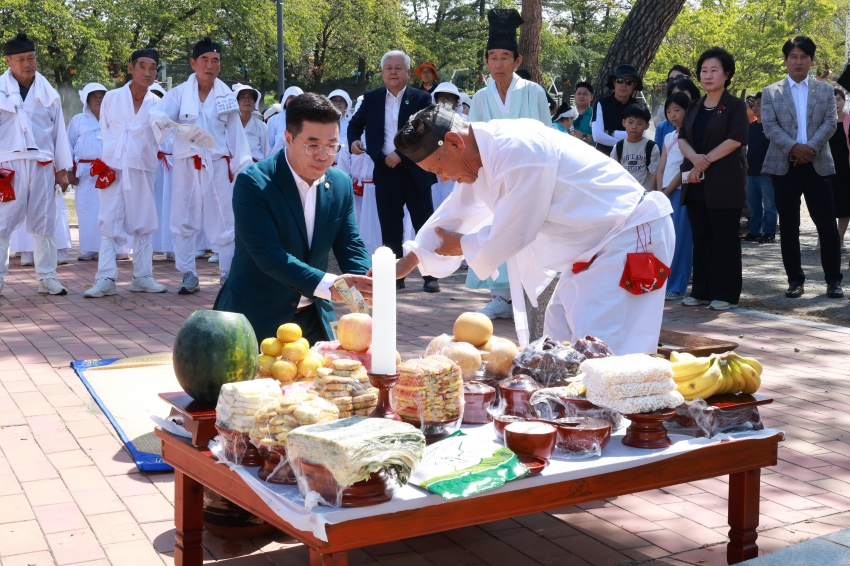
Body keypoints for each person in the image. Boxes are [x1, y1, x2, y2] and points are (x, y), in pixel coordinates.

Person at [391, 105, 674, 354]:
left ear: (454, 142)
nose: (443, 178)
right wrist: (407, 262)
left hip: (631, 235)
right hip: (595, 246)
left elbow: (515, 230)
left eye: (439, 168)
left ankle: (614, 413)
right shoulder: (479, 154)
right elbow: (456, 213)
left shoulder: (518, 148)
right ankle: (574, 411)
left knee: (605, 348)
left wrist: (464, 245)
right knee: (560, 337)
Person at [214, 93, 372, 344]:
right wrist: (331, 285)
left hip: (314, 319)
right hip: (255, 320)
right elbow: (269, 255)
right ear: (288, 138)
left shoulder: (340, 183)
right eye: (312, 145)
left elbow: (349, 243)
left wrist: (367, 280)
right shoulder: (254, 183)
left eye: (332, 145)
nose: (323, 155)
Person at [466, 8, 551, 320]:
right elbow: (473, 140)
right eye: (493, 57)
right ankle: (500, 297)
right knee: (494, 230)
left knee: (532, 233)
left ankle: (535, 295)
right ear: (487, 62)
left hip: (530, 177)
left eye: (505, 57)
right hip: (495, 179)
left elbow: (545, 136)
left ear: (517, 61)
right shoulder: (479, 98)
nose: (498, 63)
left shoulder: (534, 92)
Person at [150, 38, 252, 293]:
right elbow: (157, 119)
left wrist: (243, 169)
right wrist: (160, 119)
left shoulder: (227, 96)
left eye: (215, 60)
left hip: (216, 165)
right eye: (204, 60)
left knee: (225, 218)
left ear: (220, 64)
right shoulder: (178, 94)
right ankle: (188, 273)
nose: (209, 65)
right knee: (183, 217)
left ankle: (227, 272)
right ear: (193, 63)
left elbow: (235, 134)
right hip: (186, 164)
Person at [347, 50, 440, 293]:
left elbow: (427, 131)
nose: (393, 72)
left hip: (415, 169)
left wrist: (402, 153)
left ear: (408, 72)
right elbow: (355, 124)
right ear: (382, 72)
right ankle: (395, 276)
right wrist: (354, 141)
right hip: (384, 169)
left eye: (398, 68)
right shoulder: (372, 98)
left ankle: (431, 275)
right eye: (388, 68)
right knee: (390, 226)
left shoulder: (421, 98)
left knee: (424, 224)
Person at [761, 36, 842, 299]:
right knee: (789, 226)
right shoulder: (771, 91)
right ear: (785, 60)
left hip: (818, 164)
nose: (798, 61)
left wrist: (810, 149)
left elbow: (831, 122)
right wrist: (794, 148)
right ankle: (795, 280)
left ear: (811, 60)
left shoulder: (826, 90)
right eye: (793, 56)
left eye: (803, 57)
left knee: (827, 225)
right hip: (785, 165)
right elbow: (769, 126)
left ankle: (833, 280)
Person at [84, 49, 167, 298]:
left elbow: (161, 137)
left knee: (144, 222)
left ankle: (143, 276)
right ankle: (106, 278)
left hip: (142, 168)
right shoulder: (112, 98)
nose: (148, 72)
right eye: (142, 66)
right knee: (108, 221)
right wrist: (111, 158)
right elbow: (106, 130)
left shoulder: (158, 103)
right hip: (114, 166)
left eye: (153, 68)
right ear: (131, 69)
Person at [0, 33, 73, 296]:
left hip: (42, 163)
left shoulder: (49, 93)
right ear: (8, 61)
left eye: (31, 58)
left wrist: (63, 168)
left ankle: (47, 278)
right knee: (2, 222)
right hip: (8, 165)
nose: (27, 63)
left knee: (45, 222)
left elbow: (59, 133)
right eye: (20, 59)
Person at [678, 47, 749, 311]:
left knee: (725, 238)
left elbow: (735, 139)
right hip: (696, 181)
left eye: (714, 70)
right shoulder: (695, 105)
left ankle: (726, 294)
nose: (707, 76)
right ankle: (701, 291)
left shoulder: (735, 105)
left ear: (726, 74)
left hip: (724, 182)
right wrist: (695, 160)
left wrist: (703, 160)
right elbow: (682, 137)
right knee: (702, 237)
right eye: (703, 71)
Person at [655, 92, 692, 302]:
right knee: (666, 240)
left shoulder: (690, 137)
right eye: (669, 111)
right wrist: (660, 192)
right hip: (665, 195)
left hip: (680, 193)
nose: (672, 115)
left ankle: (678, 285)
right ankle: (665, 281)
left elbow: (683, 168)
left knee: (680, 241)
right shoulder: (669, 137)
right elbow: (661, 167)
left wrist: (666, 192)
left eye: (677, 110)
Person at [67, 83, 108, 261]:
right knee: (87, 209)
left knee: (111, 209)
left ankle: (116, 248)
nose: (99, 99)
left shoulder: (114, 118)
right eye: (94, 96)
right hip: (85, 173)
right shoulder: (78, 120)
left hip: (109, 171)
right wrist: (69, 171)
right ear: (87, 100)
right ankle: (90, 247)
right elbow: (67, 145)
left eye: (102, 96)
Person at [742, 92, 778, 244]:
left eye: (759, 105)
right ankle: (754, 231)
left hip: (767, 173)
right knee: (754, 204)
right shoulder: (750, 127)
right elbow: (744, 146)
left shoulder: (773, 127)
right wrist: (744, 160)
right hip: (752, 172)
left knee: (770, 204)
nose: (755, 108)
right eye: (754, 105)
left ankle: (769, 231)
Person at [592, 64, 642, 156]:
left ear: (634, 85)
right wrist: (627, 142)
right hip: (604, 157)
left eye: (629, 82)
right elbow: (598, 136)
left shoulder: (639, 105)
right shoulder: (601, 104)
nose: (623, 85)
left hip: (631, 159)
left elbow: (640, 134)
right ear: (614, 82)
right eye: (620, 80)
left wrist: (610, 132)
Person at [149, 83, 174, 260]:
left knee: (171, 206)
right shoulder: (145, 120)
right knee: (151, 205)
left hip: (171, 166)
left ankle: (171, 246)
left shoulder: (172, 119)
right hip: (152, 165)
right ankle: (150, 246)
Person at [610, 103, 659, 191]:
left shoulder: (651, 147)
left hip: (643, 195)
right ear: (624, 123)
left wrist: (651, 195)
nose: (634, 127)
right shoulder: (618, 147)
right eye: (630, 122)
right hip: (623, 194)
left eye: (639, 123)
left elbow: (654, 174)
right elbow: (613, 171)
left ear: (647, 126)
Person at [430, 82, 464, 210]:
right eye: (442, 97)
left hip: (455, 175)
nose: (446, 100)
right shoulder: (425, 121)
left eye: (450, 97)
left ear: (456, 101)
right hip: (431, 174)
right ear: (436, 99)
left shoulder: (464, 122)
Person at [827, 89, 850, 251]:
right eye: (833, 100)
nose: (836, 103)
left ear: (844, 101)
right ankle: (823, 238)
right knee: (824, 205)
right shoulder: (823, 120)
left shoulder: (849, 120)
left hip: (846, 170)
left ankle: (840, 239)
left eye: (839, 99)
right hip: (826, 169)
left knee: (845, 205)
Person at [654, 77, 701, 148]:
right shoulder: (662, 127)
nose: (678, 98)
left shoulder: (701, 123)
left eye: (682, 94)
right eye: (674, 94)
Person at [233, 84, 269, 162]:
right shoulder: (229, 125)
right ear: (236, 101)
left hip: (255, 170)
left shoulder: (261, 126)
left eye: (250, 97)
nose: (247, 100)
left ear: (254, 102)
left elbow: (267, 153)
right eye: (242, 97)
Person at [269, 86, 304, 154]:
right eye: (291, 97)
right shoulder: (273, 120)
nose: (294, 100)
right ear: (285, 100)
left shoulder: (307, 121)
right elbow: (268, 146)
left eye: (297, 98)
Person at [571, 82, 594, 146]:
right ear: (574, 96)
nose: (581, 96)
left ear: (591, 97)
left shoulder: (596, 115)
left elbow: (600, 138)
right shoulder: (567, 114)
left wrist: (583, 136)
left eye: (585, 94)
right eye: (579, 93)